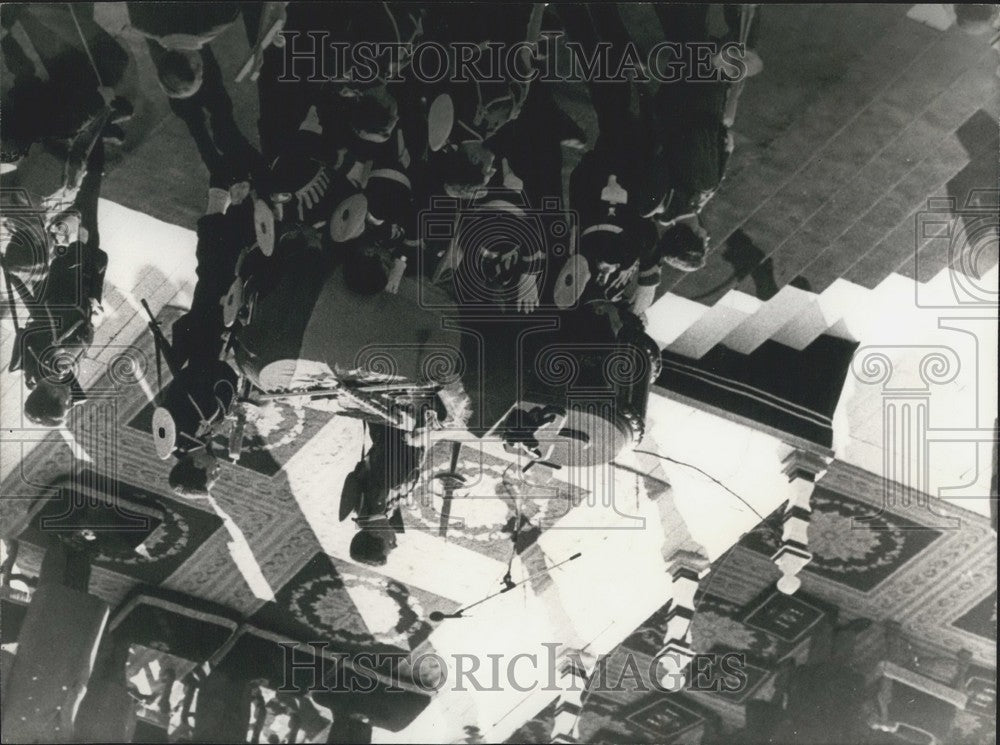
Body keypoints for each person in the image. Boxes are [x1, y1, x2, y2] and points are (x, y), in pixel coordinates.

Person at [16, 140, 108, 427]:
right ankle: (91, 156)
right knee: (84, 212)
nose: (71, 401)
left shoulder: (58, 366)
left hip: (75, 280)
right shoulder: (34, 375)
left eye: (65, 404)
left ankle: (97, 146)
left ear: (55, 394)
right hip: (59, 284)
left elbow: (80, 333)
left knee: (88, 207)